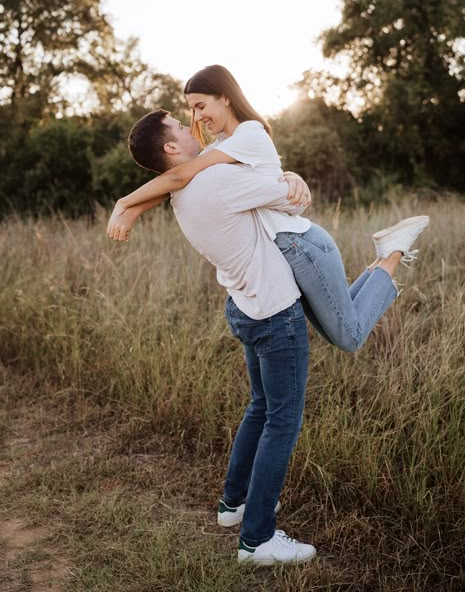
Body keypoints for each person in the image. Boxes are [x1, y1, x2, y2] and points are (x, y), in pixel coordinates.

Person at [110, 109, 317, 565]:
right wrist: (292, 179)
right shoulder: (214, 180)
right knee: (282, 420)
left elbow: (187, 179)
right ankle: (257, 540)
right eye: (181, 128)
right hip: (273, 311)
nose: (192, 128)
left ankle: (233, 505)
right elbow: (292, 200)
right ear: (170, 148)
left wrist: (129, 205)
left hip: (243, 307)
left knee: (261, 407)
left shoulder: (182, 191)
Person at [108, 65, 430, 353]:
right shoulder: (220, 145)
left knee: (349, 337)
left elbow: (179, 176)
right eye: (191, 111)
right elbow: (181, 183)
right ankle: (383, 256)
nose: (196, 119)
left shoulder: (247, 133)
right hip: (290, 247)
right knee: (343, 330)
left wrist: (126, 204)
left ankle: (392, 254)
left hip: (299, 244)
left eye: (200, 107)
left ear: (225, 97)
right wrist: (136, 210)